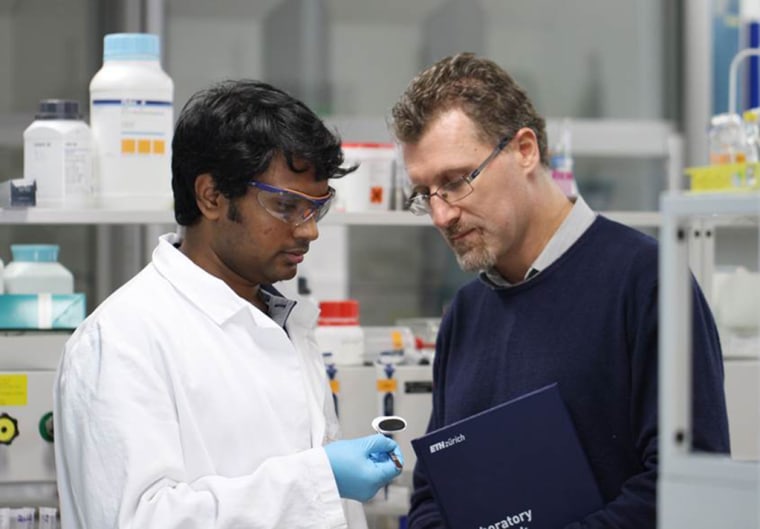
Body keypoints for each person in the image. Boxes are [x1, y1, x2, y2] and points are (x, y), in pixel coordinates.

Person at [390, 53, 730, 529]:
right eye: (425, 194)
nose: (442, 215)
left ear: (525, 150)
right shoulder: (466, 313)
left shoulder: (647, 281)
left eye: (455, 181)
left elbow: (687, 482)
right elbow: (432, 493)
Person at [54, 79, 403, 529]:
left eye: (318, 208)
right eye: (285, 205)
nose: (309, 230)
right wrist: (318, 478)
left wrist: (324, 481)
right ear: (211, 196)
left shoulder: (282, 319)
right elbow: (139, 520)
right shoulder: (122, 339)